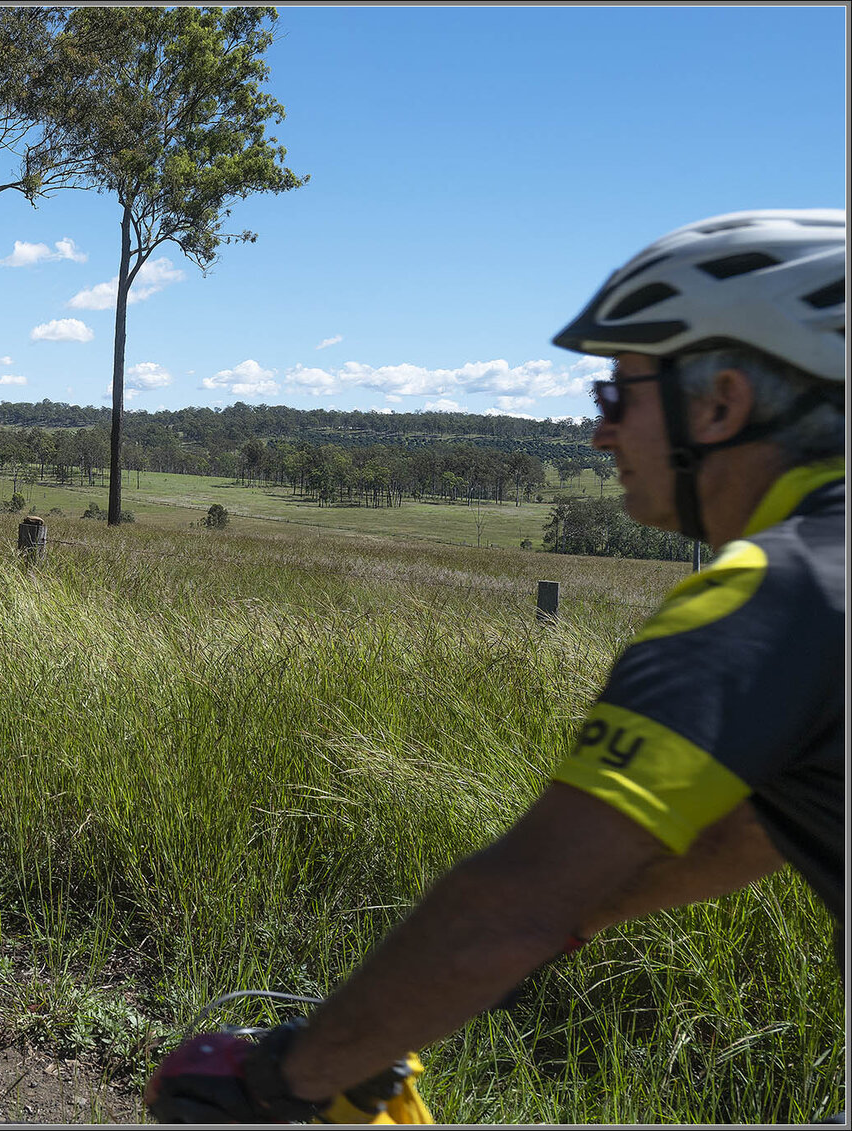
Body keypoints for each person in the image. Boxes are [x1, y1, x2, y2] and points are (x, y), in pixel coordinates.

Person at [147, 208, 845, 1123]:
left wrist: (282, 1075)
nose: (601, 435)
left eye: (616, 397)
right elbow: (754, 831)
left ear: (719, 403)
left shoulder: (771, 595)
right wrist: (577, 915)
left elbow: (507, 903)